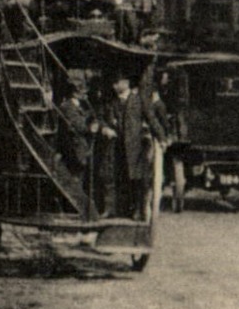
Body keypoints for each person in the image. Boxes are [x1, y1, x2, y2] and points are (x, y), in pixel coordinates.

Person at [100, 71, 168, 220]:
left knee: (136, 180)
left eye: (116, 83)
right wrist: (105, 128)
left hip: (135, 149)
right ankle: (112, 210)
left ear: (125, 83)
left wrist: (162, 139)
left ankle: (137, 210)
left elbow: (152, 120)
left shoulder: (139, 101)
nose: (114, 86)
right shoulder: (112, 102)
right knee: (114, 179)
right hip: (115, 148)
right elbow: (103, 119)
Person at [56, 70, 99, 194]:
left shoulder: (78, 106)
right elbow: (77, 125)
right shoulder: (67, 106)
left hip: (80, 147)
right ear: (75, 93)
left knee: (79, 176)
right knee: (75, 177)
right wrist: (90, 128)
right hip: (73, 147)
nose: (85, 94)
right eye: (82, 91)